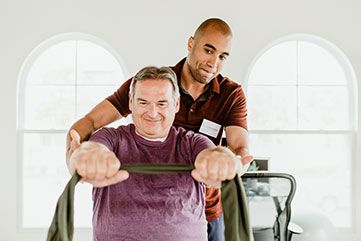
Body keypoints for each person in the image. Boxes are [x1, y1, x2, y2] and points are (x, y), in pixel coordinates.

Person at [66, 18, 253, 241]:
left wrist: (232, 168)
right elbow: (91, 122)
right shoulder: (151, 84)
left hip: (206, 206)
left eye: (222, 56)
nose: (213, 62)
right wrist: (76, 156)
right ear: (191, 43)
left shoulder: (230, 95)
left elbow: (238, 146)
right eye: (208, 50)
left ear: (174, 105)